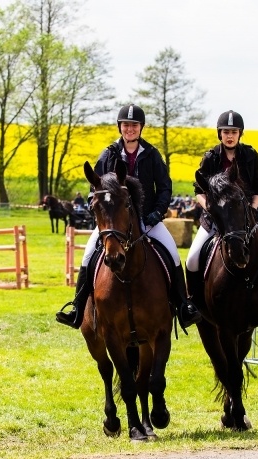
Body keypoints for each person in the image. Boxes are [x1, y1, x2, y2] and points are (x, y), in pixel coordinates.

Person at [56, 104, 200, 329]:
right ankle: (77, 308)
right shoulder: (108, 154)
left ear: (140, 128)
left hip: (147, 220)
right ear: (120, 127)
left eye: (134, 125)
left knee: (172, 253)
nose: (130, 129)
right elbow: (94, 186)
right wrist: (95, 208)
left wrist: (157, 213)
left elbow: (164, 187)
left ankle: (183, 306)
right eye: (126, 125)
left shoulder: (151, 155)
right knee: (87, 257)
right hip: (114, 222)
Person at [185, 110, 258, 313]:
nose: (230, 136)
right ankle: (193, 303)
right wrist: (211, 210)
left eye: (234, 131)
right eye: (226, 132)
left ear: (240, 134)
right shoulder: (211, 158)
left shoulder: (250, 155)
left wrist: (253, 208)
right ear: (219, 134)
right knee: (192, 257)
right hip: (217, 218)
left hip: (248, 215)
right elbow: (199, 191)